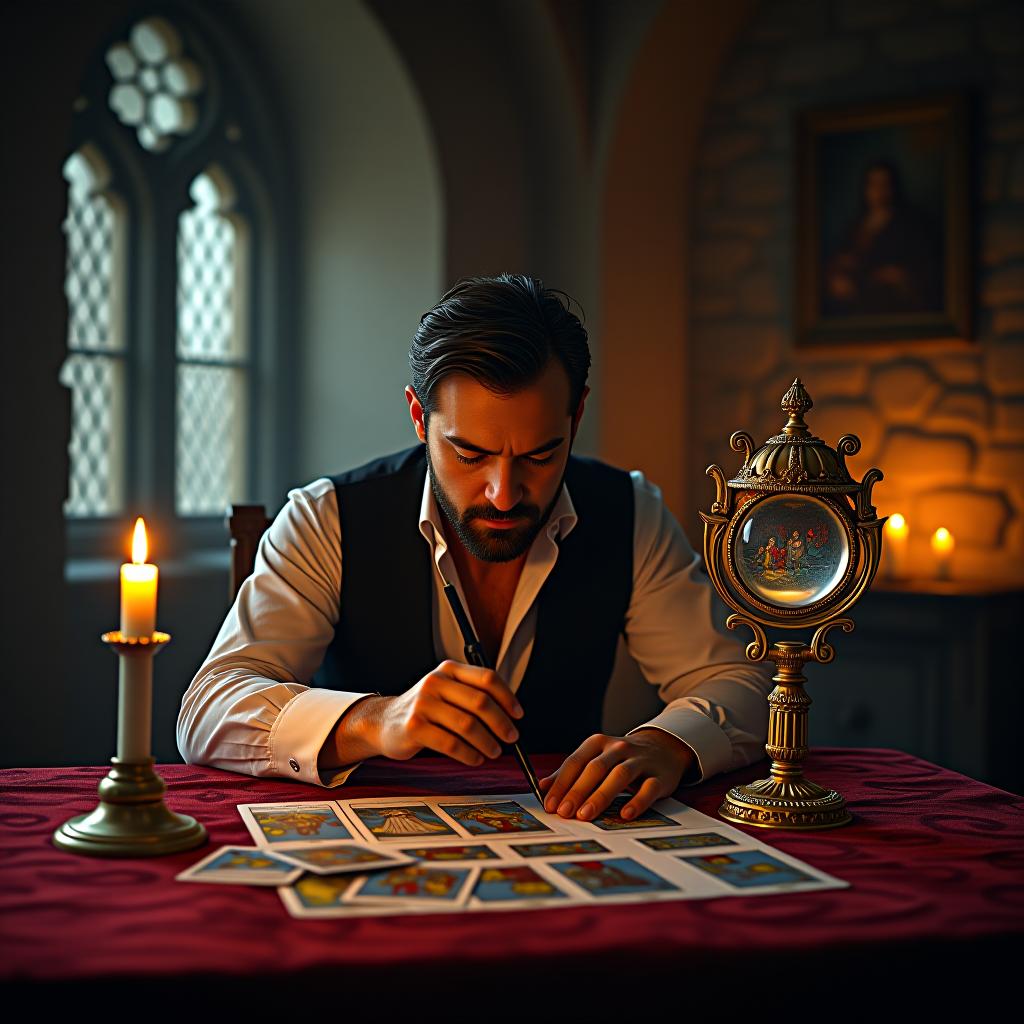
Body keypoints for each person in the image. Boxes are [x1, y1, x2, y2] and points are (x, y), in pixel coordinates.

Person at [177, 274, 773, 824]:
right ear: (418, 416)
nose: (505, 493)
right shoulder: (326, 516)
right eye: (469, 454)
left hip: (571, 848)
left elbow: (739, 684)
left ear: (578, 413)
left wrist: (665, 744)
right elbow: (208, 710)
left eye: (540, 455)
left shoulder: (631, 511)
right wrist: (374, 721)